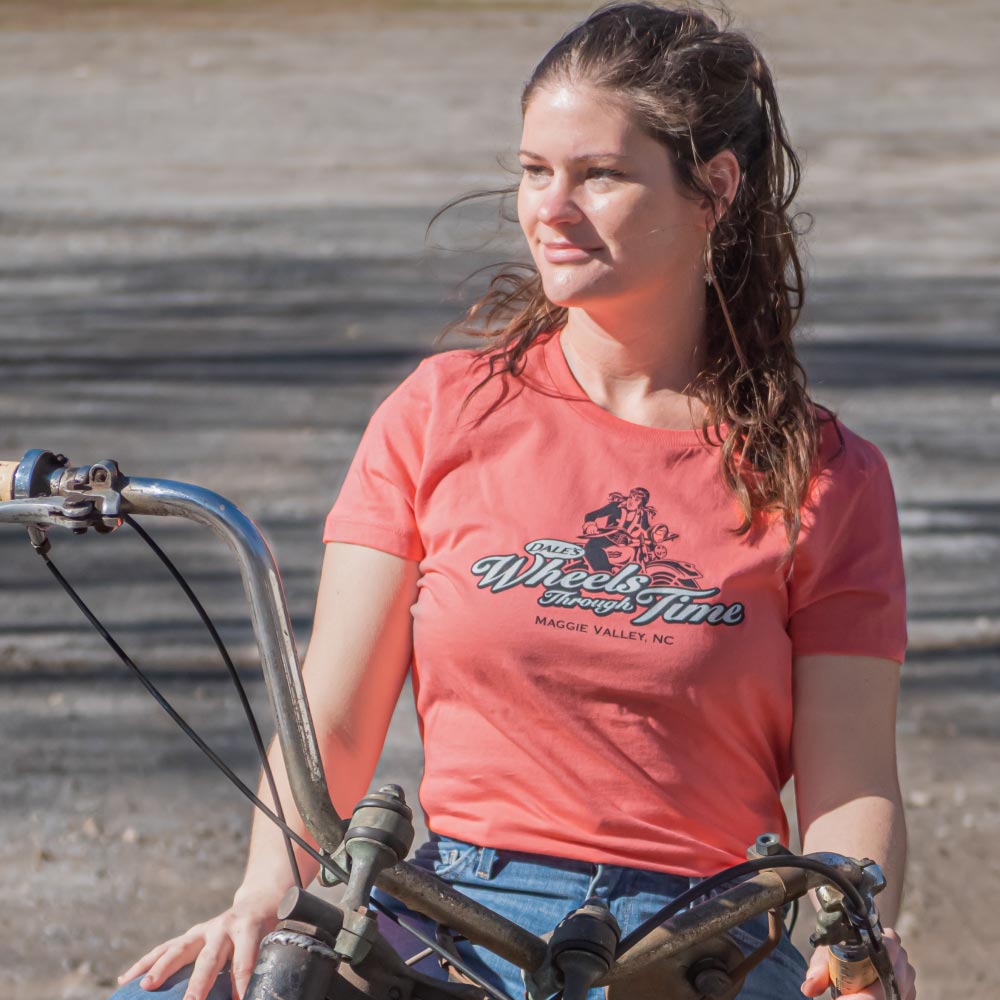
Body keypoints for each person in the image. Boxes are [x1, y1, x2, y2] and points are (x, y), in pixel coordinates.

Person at [112, 3, 917, 999]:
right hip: (454, 911)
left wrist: (856, 926)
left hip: (704, 935)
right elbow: (337, 716)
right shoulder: (440, 411)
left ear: (713, 187)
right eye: (535, 171)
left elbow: (851, 782)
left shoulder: (826, 475)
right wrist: (265, 888)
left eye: (599, 175)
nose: (551, 206)